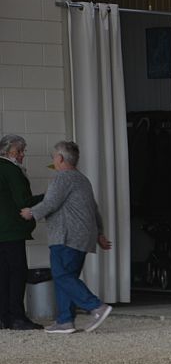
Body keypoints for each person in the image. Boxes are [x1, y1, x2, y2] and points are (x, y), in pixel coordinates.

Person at [20, 141, 113, 334]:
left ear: (60, 158)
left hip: (66, 236)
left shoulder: (62, 177)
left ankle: (96, 306)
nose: (53, 160)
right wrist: (100, 233)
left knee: (61, 275)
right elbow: (94, 209)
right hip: (83, 237)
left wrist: (31, 212)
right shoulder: (82, 179)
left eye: (54, 156)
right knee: (67, 278)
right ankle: (65, 321)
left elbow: (50, 203)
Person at [0, 135, 43, 330]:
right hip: (11, 230)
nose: (22, 155)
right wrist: (49, 196)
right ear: (7, 151)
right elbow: (23, 201)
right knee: (17, 273)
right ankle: (17, 317)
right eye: (19, 151)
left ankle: (3, 318)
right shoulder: (11, 170)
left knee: (3, 275)